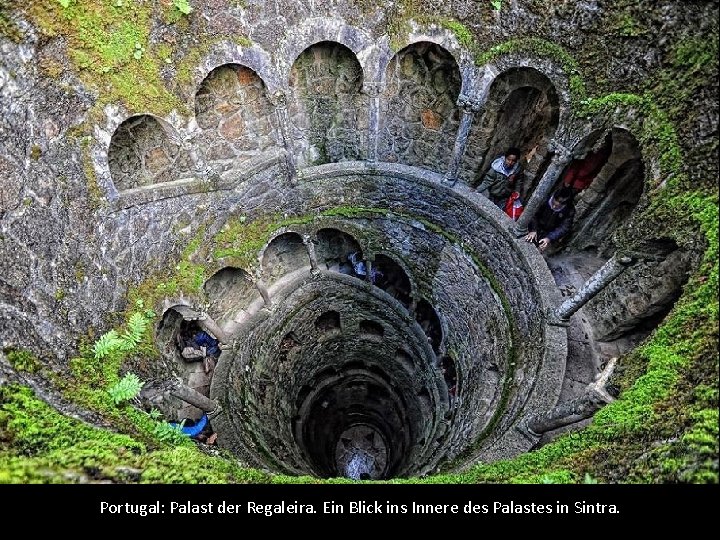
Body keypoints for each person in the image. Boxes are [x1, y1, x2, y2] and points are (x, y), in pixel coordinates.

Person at [525, 187, 575, 253]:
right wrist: (533, 230)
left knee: (540, 250)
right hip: (536, 226)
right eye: (553, 204)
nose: (553, 207)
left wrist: (549, 238)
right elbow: (534, 214)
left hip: (550, 232)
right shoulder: (545, 199)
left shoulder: (569, 210)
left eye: (557, 206)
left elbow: (564, 227)